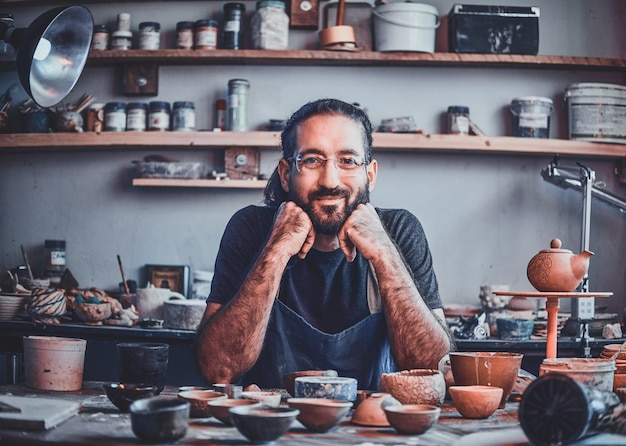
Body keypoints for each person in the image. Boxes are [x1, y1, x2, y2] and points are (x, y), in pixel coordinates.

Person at [196, 98, 452, 390]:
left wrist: (384, 253)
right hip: (270, 427)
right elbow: (217, 370)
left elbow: (434, 368)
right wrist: (275, 251)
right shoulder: (251, 228)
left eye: (347, 161)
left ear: (370, 174)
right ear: (284, 173)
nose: (330, 181)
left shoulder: (400, 230)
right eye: (312, 160)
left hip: (374, 429)